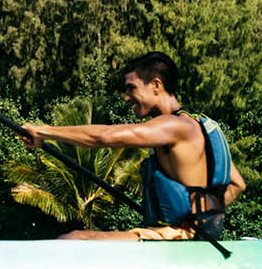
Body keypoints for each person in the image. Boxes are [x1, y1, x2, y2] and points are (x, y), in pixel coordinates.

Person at [21, 52, 243, 241]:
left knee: (75, 239)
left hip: (180, 238)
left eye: (131, 88)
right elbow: (237, 184)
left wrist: (43, 132)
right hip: (193, 238)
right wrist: (202, 214)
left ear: (156, 85)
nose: (126, 98)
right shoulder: (201, 124)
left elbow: (105, 137)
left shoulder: (175, 126)